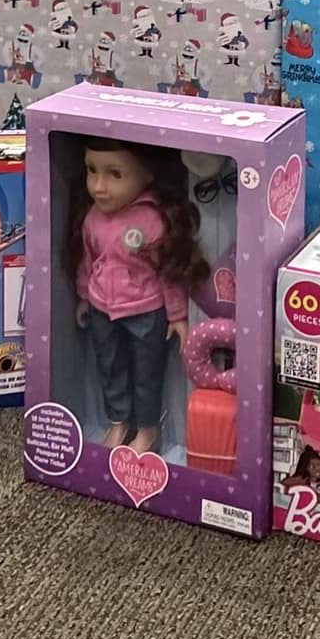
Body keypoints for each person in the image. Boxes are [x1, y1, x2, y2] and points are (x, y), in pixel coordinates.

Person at [65, 137, 209, 453]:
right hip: (103, 307)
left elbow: (168, 271)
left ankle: (148, 429)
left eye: (115, 174)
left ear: (147, 175)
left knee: (146, 375)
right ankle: (119, 421)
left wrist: (176, 315)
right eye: (92, 171)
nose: (99, 186)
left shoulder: (153, 220)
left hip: (147, 312)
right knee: (110, 368)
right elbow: (88, 262)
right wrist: (84, 297)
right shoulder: (92, 218)